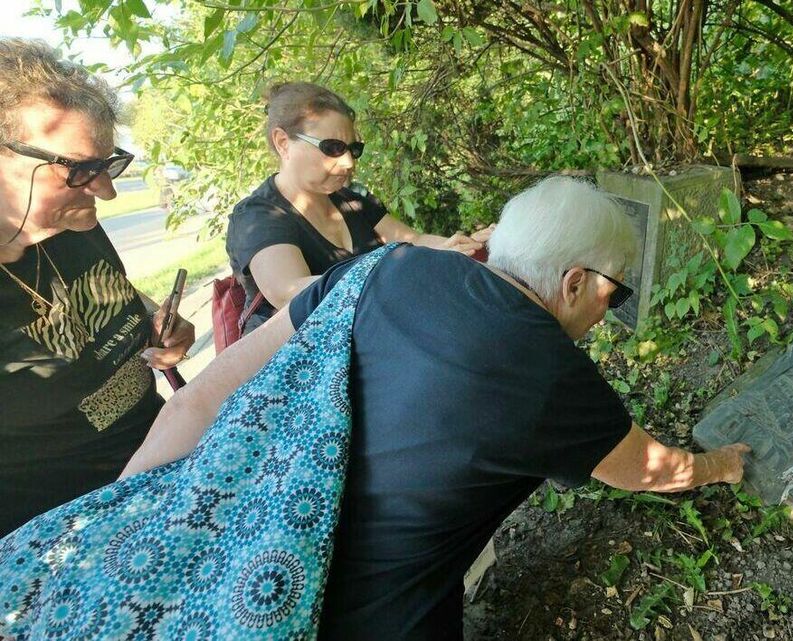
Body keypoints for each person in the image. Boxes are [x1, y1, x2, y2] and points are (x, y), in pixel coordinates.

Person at [112, 176, 752, 639]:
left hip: (240, 560)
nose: (607, 313)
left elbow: (198, 398)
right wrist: (720, 463)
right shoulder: (551, 375)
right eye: (614, 296)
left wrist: (122, 525)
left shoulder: (378, 269)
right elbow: (651, 470)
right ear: (575, 282)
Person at [0, 39, 195, 536]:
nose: (105, 192)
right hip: (73, 529)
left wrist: (161, 323)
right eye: (82, 170)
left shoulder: (71, 221)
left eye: (108, 166)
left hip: (164, 458)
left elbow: (114, 292)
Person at [226, 81, 492, 334]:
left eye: (353, 149)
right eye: (332, 148)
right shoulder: (258, 217)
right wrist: (395, 270)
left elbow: (415, 240)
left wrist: (462, 245)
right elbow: (291, 293)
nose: (348, 163)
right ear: (283, 142)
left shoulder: (352, 201)